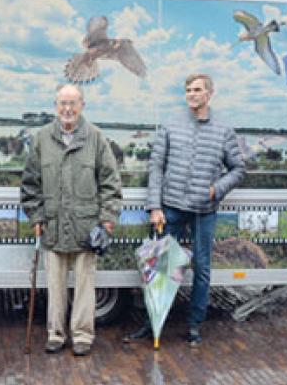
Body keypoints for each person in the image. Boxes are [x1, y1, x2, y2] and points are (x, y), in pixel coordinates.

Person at [125, 72, 246, 347]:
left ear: (209, 94)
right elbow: (156, 167)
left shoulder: (224, 130)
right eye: (189, 90)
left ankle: (194, 325)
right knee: (160, 267)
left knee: (202, 268)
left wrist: (217, 188)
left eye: (197, 90)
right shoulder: (170, 126)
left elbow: (239, 169)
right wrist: (154, 206)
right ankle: (152, 324)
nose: (192, 94)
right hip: (171, 208)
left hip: (205, 209)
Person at [20, 84, 121, 357]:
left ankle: (82, 336)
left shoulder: (96, 138)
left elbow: (110, 183)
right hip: (53, 226)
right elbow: (30, 185)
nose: (67, 109)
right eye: (63, 103)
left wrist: (107, 220)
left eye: (73, 103)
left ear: (82, 106)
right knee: (55, 286)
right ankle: (55, 334)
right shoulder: (42, 138)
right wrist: (36, 217)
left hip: (87, 227)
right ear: (56, 106)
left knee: (85, 286)